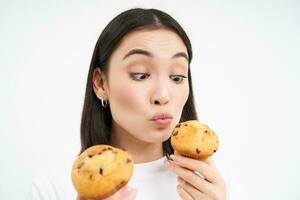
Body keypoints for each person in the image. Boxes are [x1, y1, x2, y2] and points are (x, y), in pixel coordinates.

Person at [28, 8, 246, 200]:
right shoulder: (53, 189)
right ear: (100, 83)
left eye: (177, 77)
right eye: (141, 75)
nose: (162, 95)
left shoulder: (219, 186)